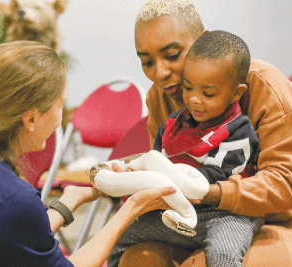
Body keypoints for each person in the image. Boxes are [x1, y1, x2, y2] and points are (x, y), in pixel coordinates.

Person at [118, 0, 292, 266]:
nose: (160, 72)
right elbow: (166, 176)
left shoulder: (262, 83)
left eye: (172, 55)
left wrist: (207, 191)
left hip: (283, 222)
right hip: (198, 221)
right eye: (147, 62)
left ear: (202, 41)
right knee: (137, 260)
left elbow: (287, 190)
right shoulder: (160, 96)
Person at [0, 40, 178, 267]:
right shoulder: (14, 199)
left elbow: (12, 234)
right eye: (61, 104)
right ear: (31, 119)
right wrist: (132, 208)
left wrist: (67, 202)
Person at [106, 30, 263, 267]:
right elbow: (155, 164)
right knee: (117, 235)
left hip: (228, 215)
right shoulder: (171, 125)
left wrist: (168, 176)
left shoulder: (238, 130)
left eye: (208, 93)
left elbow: (215, 176)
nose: (195, 100)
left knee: (223, 254)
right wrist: (135, 176)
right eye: (188, 89)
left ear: (236, 93)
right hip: (180, 210)